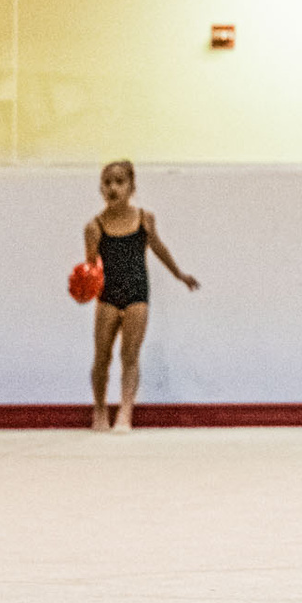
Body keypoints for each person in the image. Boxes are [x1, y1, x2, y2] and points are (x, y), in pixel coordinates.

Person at [84, 160, 198, 433]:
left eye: (119, 182)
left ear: (132, 187)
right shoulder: (94, 227)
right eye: (107, 183)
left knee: (130, 355)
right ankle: (100, 409)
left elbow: (159, 248)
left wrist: (179, 274)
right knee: (102, 357)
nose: (113, 188)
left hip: (137, 293)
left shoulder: (145, 219)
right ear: (101, 188)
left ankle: (125, 412)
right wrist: (84, 286)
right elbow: (91, 268)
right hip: (108, 295)